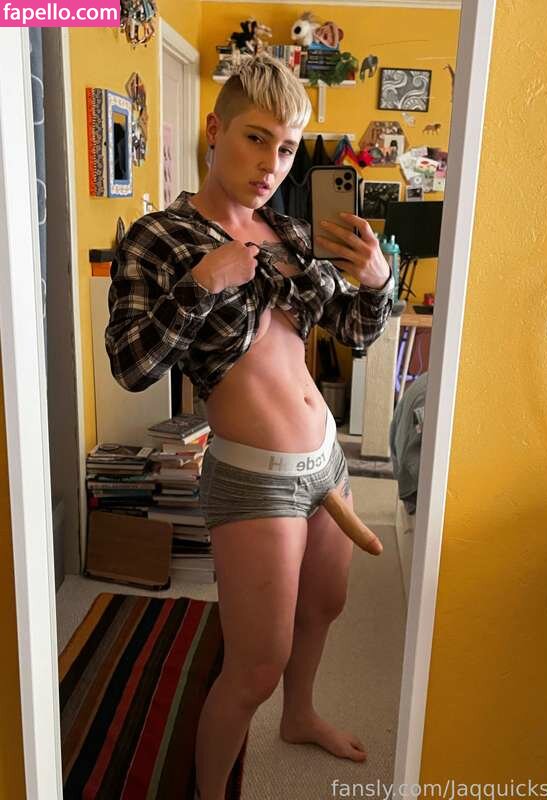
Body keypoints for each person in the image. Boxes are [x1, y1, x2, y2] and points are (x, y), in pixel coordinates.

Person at [105, 53, 394, 800]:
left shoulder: (291, 233)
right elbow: (132, 365)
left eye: (288, 147)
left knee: (324, 607)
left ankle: (300, 716)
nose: (272, 164)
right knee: (255, 666)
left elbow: (354, 331)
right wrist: (204, 282)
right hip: (255, 478)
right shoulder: (160, 237)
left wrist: (377, 283)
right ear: (216, 130)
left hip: (327, 460)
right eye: (256, 138)